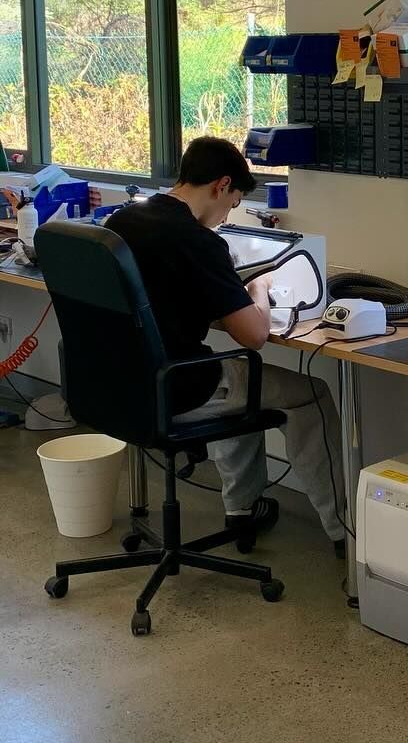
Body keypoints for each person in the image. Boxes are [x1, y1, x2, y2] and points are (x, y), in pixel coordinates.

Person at [105, 136, 346, 555]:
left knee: (235, 372)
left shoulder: (124, 222)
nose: (226, 215)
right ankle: (343, 529)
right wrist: (258, 289)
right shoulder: (199, 242)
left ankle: (242, 508)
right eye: (234, 202)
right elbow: (253, 336)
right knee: (309, 393)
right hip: (177, 385)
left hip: (119, 379)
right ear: (221, 186)